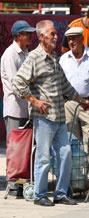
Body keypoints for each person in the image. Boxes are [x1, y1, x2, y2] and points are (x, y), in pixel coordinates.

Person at [12, 20, 89, 207]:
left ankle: (61, 193)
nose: (56, 37)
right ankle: (40, 195)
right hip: (44, 118)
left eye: (56, 34)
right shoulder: (33, 58)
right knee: (43, 157)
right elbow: (17, 83)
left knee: (66, 155)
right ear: (42, 37)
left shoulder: (54, 57)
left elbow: (64, 85)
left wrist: (82, 101)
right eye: (52, 34)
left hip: (60, 117)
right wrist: (34, 101)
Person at [59, 27, 89, 159]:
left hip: (88, 102)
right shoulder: (63, 59)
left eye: (74, 38)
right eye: (69, 39)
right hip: (69, 104)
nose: (71, 42)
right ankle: (74, 176)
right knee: (71, 139)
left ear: (82, 39)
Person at [0, 20, 35, 197]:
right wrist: (34, 98)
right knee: (14, 147)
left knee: (24, 148)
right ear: (19, 35)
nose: (30, 36)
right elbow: (16, 84)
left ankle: (21, 182)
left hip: (26, 107)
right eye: (27, 33)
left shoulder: (26, 52)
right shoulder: (10, 55)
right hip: (15, 108)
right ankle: (13, 185)